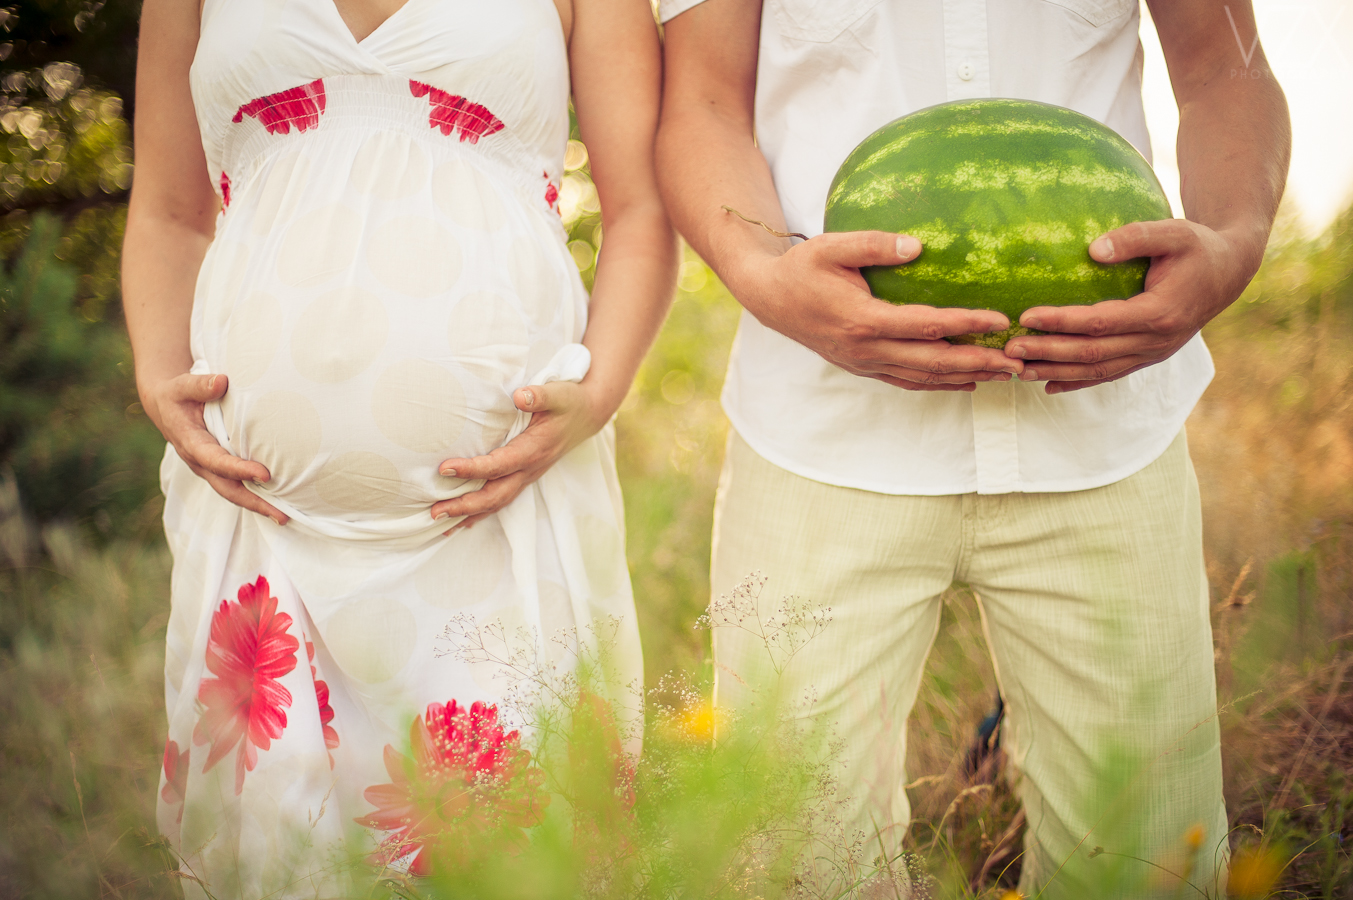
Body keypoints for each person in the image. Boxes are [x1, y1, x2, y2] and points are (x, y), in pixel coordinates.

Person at [655, 1, 1289, 896]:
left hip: (1103, 432)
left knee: (1149, 863)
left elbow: (1228, 69)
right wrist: (763, 271)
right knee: (791, 861)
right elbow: (702, 102)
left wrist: (1231, 244)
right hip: (819, 425)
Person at [123, 0, 675, 894]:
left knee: (510, 863)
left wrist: (597, 393)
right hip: (263, 529)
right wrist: (157, 378)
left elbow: (643, 211)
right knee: (281, 868)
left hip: (497, 518)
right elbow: (167, 213)